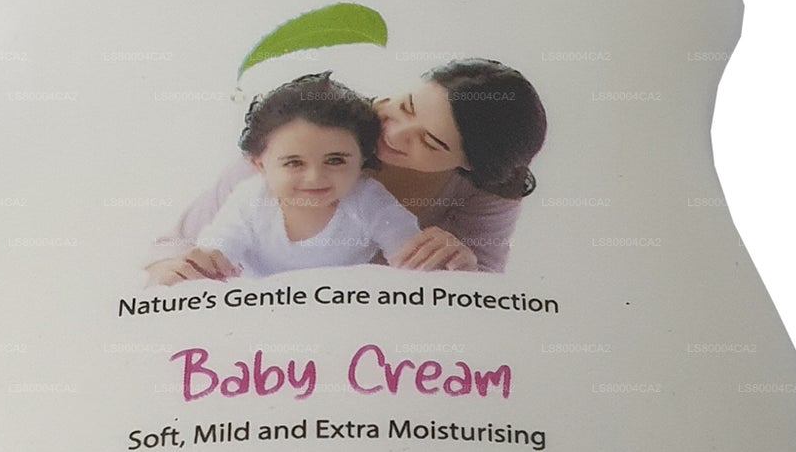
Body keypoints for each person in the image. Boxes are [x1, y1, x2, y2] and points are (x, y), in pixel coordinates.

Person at [147, 58, 547, 283]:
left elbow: (486, 285)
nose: (395, 132)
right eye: (406, 105)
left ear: (470, 166)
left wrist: (464, 265)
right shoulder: (314, 135)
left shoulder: (486, 191)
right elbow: (175, 248)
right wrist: (174, 269)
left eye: (430, 142)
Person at [164, 72, 422, 280]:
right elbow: (215, 252)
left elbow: (413, 258)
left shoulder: (368, 199)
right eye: (294, 163)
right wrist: (205, 264)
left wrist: (426, 257)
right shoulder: (251, 200)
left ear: (362, 159)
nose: (315, 177)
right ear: (259, 165)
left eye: (335, 160)